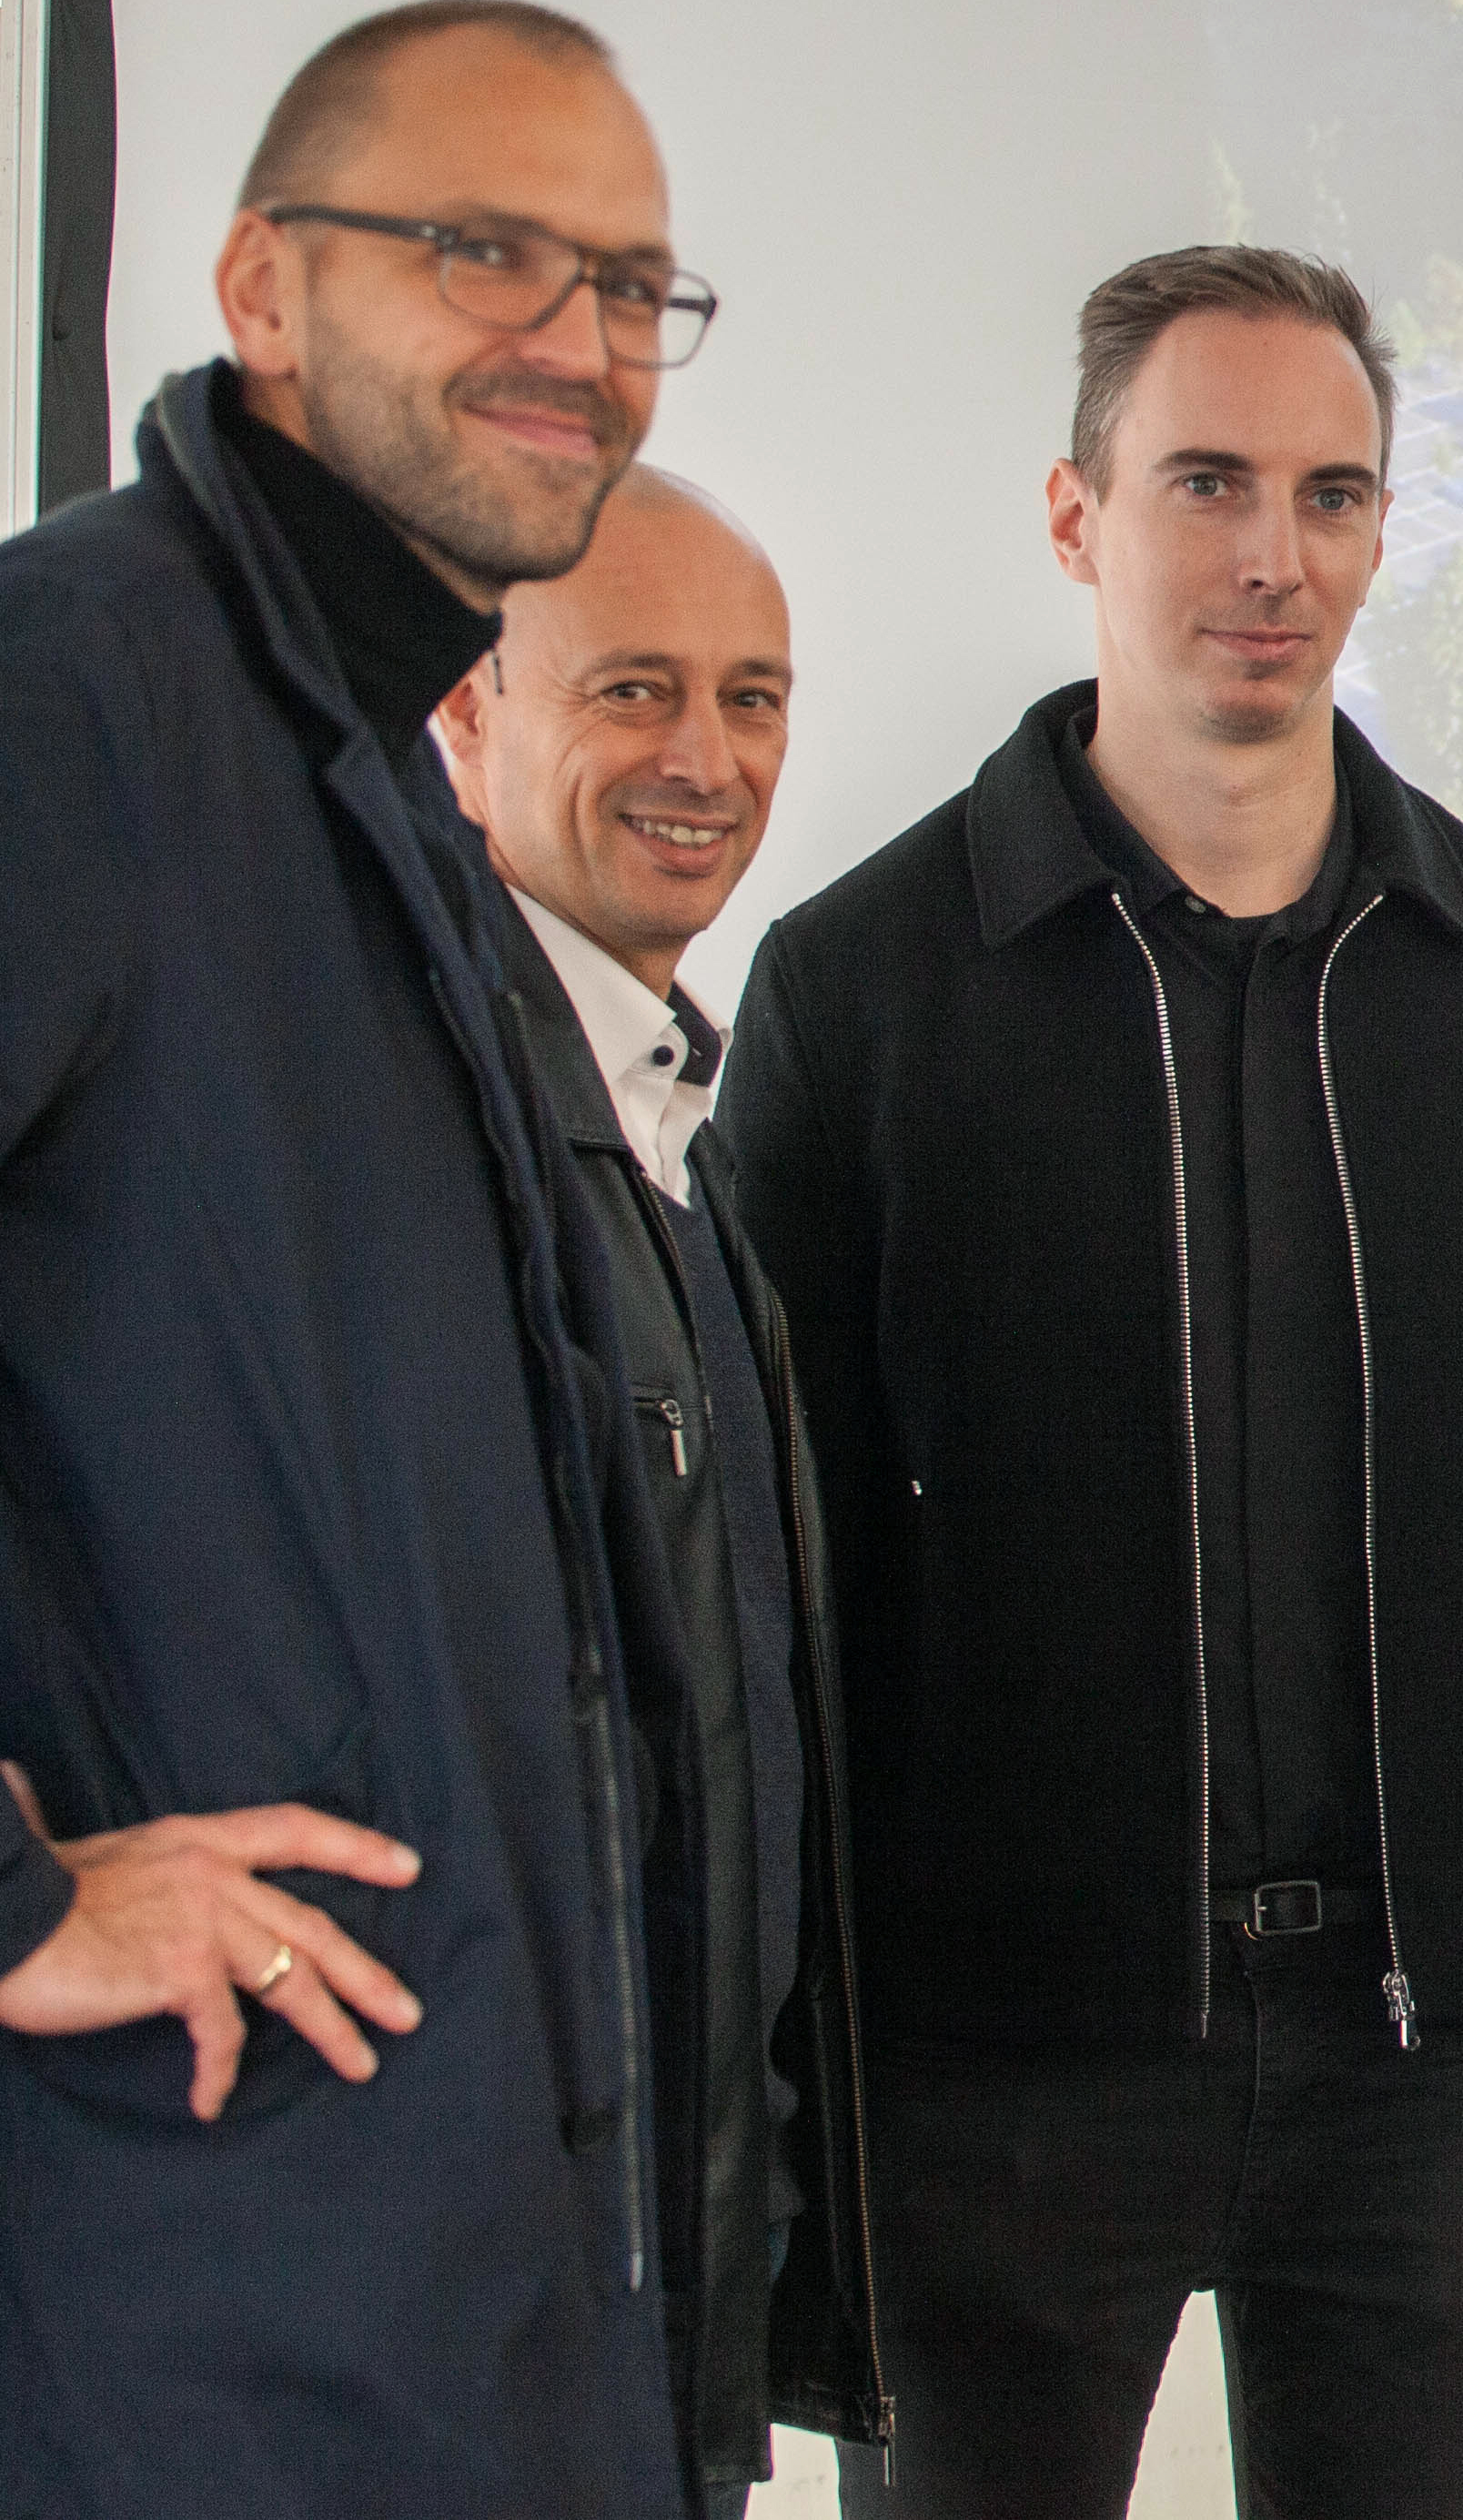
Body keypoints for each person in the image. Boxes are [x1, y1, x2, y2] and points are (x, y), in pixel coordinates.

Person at [723, 246, 1463, 2520]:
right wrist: (819, 2067)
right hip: (996, 2082)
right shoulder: (862, 986)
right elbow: (777, 1586)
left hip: (1428, 2067)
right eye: (1207, 482)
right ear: (1077, 514)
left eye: (1334, 493)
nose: (1275, 555)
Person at [0, 0, 716, 2513]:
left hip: (460, 2272)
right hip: (199, 2285)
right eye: (482, 249)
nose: (579, 338)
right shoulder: (76, 682)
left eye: (631, 283)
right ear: (261, 286)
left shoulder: (369, 768)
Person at [437, 468, 890, 2509]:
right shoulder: (400, 1123)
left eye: (753, 696)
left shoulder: (664, 1132)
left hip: (650, 2307)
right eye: (631, 689)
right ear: (466, 707)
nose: (706, 759)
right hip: (463, 2333)